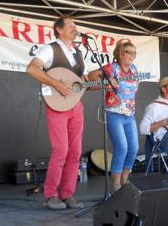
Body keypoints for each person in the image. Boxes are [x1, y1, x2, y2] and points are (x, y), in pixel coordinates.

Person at [26, 16, 87, 210]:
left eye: (76, 25)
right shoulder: (50, 49)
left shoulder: (78, 53)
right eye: (71, 25)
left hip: (76, 106)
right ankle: (51, 195)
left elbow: (81, 81)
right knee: (61, 150)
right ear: (59, 30)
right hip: (56, 106)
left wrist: (103, 80)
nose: (75, 28)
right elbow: (32, 68)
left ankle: (67, 194)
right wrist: (56, 84)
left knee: (75, 152)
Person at [88, 41, 139, 193]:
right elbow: (91, 77)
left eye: (133, 53)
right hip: (114, 113)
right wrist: (106, 83)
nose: (132, 55)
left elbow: (133, 90)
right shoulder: (112, 68)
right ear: (120, 54)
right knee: (121, 148)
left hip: (130, 115)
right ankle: (115, 185)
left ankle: (125, 181)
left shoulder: (134, 70)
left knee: (134, 148)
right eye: (129, 52)